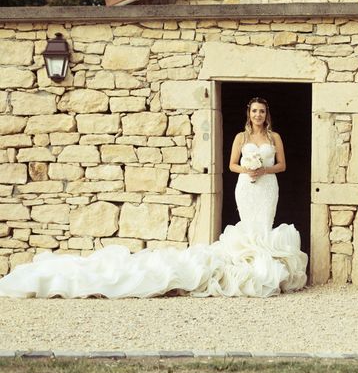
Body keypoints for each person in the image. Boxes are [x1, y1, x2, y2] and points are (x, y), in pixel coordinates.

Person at [0, 97, 307, 299]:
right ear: (248, 114)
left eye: (262, 111)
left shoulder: (273, 138)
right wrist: (247, 170)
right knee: (247, 226)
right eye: (254, 111)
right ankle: (249, 273)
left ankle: (265, 273)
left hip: (267, 187)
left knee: (263, 228)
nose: (258, 115)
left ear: (266, 115)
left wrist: (263, 171)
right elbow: (231, 165)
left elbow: (282, 165)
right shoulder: (241, 137)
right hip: (246, 187)